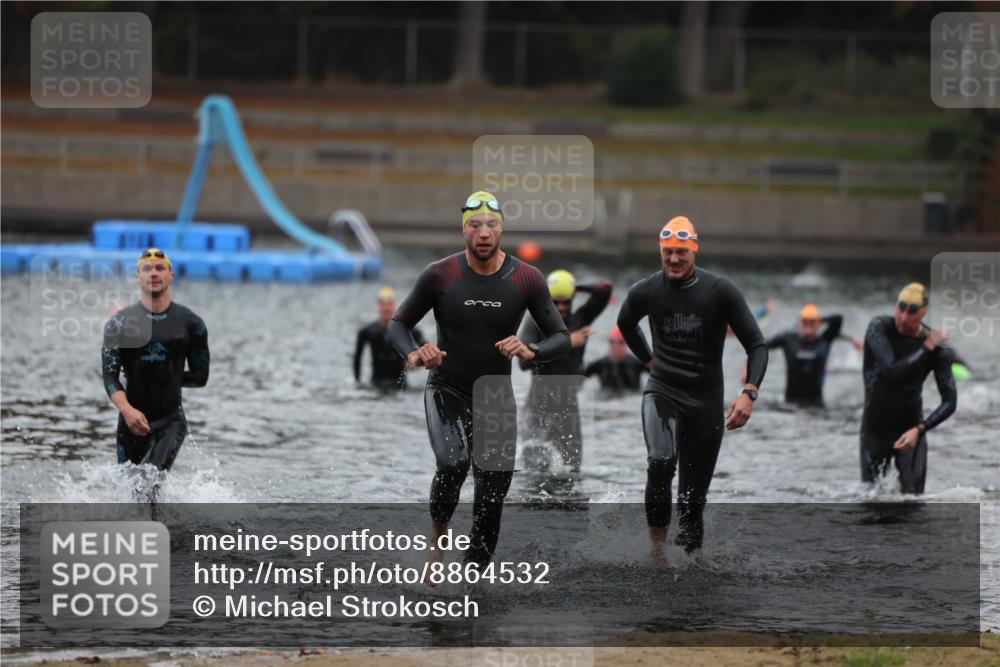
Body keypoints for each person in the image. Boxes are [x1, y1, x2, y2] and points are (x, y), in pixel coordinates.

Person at [388, 191, 570, 571]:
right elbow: (398, 324)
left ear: (501, 230)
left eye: (492, 225)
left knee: (492, 496)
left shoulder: (526, 278)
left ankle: (474, 580)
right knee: (453, 463)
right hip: (446, 388)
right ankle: (437, 543)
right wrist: (414, 354)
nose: (484, 233)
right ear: (464, 231)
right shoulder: (441, 274)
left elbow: (561, 337)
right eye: (475, 225)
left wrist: (530, 349)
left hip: (495, 395)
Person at [616, 216, 767, 559]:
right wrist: (650, 361)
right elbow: (625, 323)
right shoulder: (647, 289)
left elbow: (757, 344)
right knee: (660, 461)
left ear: (694, 250)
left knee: (691, 503)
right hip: (662, 392)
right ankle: (657, 554)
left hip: (705, 402)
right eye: (667, 251)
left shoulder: (720, 291)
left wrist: (749, 392)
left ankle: (690, 566)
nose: (673, 259)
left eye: (681, 251)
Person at [102, 248, 210, 482]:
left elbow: (200, 378)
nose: (153, 273)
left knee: (148, 482)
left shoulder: (192, 324)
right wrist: (127, 411)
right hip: (130, 420)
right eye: (147, 268)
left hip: (170, 422)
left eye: (160, 268)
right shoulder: (118, 324)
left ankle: (154, 519)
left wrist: (162, 375)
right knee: (130, 488)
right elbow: (110, 378)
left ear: (171, 275)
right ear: (137, 277)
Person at [860, 283, 956, 494]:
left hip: (911, 430)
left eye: (912, 312)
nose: (903, 317)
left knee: (913, 505)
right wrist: (925, 348)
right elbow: (890, 372)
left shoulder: (937, 348)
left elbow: (950, 402)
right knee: (871, 504)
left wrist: (919, 430)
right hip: (875, 429)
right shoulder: (879, 327)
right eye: (900, 308)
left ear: (923, 313)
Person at [519, 269, 612, 472]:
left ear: (573, 298)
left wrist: (572, 286)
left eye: (566, 301)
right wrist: (569, 342)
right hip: (539, 402)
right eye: (555, 301)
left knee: (572, 468)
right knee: (534, 469)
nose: (561, 307)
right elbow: (523, 362)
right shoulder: (535, 321)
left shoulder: (580, 319)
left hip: (568, 403)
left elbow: (605, 290)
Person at [764, 303, 863, 407]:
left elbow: (838, 319)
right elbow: (761, 346)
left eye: (812, 323)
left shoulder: (825, 340)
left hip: (817, 404)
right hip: (790, 403)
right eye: (805, 322)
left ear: (818, 324)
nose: (808, 326)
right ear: (800, 322)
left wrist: (819, 321)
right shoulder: (788, 339)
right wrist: (748, 365)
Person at [353, 287, 425, 391]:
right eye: (383, 304)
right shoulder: (367, 331)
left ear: (395, 306)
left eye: (389, 304)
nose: (386, 308)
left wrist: (415, 359)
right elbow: (357, 358)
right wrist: (358, 383)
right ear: (378, 307)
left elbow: (427, 347)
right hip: (376, 384)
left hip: (401, 385)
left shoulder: (409, 330)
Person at [583, 327, 649, 393]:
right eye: (612, 342)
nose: (616, 346)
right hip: (606, 400)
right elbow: (578, 378)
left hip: (632, 399)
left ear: (627, 343)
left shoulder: (636, 363)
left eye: (620, 342)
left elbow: (656, 373)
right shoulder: (599, 365)